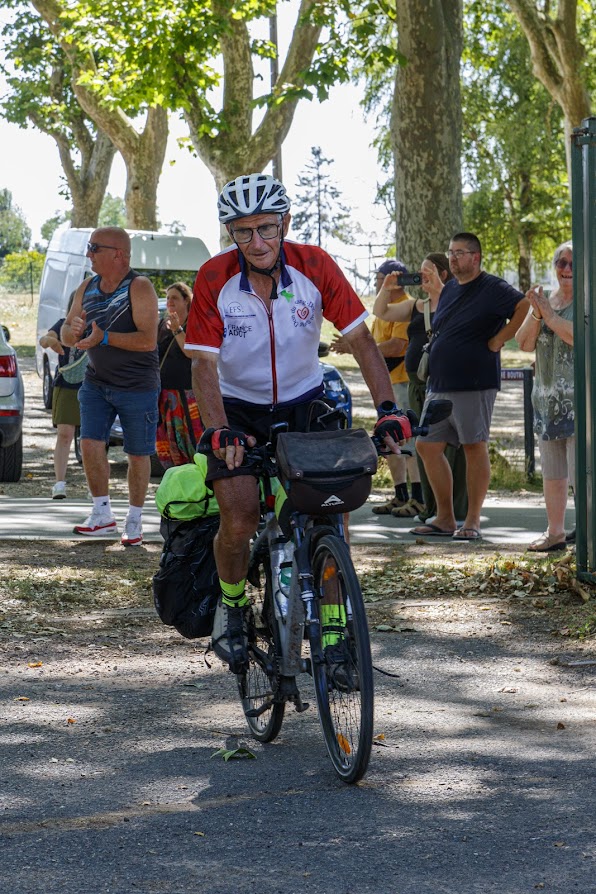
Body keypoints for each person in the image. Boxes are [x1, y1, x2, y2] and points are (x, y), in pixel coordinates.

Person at [185, 172, 411, 673]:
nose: (257, 242)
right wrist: (219, 430)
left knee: (330, 514)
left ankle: (333, 629)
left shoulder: (315, 265)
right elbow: (202, 363)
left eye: (266, 228)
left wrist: (389, 409)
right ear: (230, 233)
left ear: (285, 223)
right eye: (243, 231)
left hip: (305, 404)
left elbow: (362, 340)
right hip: (237, 408)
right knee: (239, 515)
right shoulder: (214, 277)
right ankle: (233, 606)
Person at [411, 232, 529, 541]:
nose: (452, 258)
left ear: (475, 257)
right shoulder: (450, 288)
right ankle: (445, 518)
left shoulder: (493, 287)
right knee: (426, 445)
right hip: (439, 384)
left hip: (474, 382)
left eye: (459, 253)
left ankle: (472, 521)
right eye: (450, 252)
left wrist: (499, 339)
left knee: (474, 446)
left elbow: (524, 306)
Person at [61, 227, 160, 547]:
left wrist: (104, 337)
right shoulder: (86, 286)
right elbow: (66, 333)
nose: (88, 253)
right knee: (90, 444)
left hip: (137, 386)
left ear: (118, 254)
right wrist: (73, 330)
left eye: (94, 248)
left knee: (137, 454)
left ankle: (134, 519)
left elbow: (148, 340)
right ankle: (102, 514)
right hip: (96, 382)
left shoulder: (140, 286)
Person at [372, 252, 468, 522]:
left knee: (446, 447)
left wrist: (439, 290)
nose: (422, 276)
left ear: (443, 274)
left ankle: (454, 510)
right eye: (420, 271)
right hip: (418, 385)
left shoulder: (455, 304)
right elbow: (380, 311)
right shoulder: (417, 306)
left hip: (446, 386)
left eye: (428, 271)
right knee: (424, 444)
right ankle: (429, 506)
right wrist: (387, 287)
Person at [332, 259, 424, 518]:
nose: (376, 282)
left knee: (407, 439)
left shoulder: (406, 307)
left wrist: (354, 348)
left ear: (396, 280)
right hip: (388, 387)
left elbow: (396, 347)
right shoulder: (383, 312)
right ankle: (400, 494)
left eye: (381, 278)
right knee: (390, 439)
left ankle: (418, 497)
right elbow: (373, 348)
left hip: (402, 382)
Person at [515, 241, 574, 551]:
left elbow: (580, 337)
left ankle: (588, 537)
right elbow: (524, 343)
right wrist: (537, 314)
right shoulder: (546, 301)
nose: (566, 269)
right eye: (561, 263)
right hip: (547, 403)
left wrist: (549, 316)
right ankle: (555, 533)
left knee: (581, 476)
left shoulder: (588, 300)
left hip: (580, 405)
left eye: (573, 264)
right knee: (553, 473)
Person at [156, 281, 204, 469]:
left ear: (186, 301)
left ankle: (198, 474)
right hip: (165, 394)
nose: (170, 302)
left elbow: (191, 352)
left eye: (175, 298)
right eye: (168, 298)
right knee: (170, 440)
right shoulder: (162, 325)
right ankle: (177, 476)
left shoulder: (194, 323)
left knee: (193, 438)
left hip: (188, 395)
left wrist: (177, 329)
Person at [38, 305, 81, 500]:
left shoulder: (97, 325)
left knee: (93, 439)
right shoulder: (63, 324)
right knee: (65, 434)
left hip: (93, 386)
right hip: (66, 385)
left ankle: (95, 486)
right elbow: (44, 340)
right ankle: (59, 483)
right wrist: (51, 340)